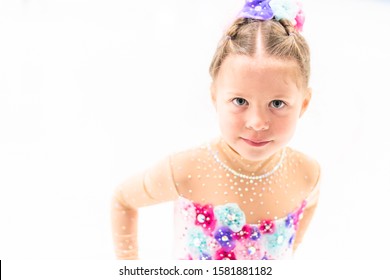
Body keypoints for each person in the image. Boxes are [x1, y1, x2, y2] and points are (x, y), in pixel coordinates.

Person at [111, 0, 320, 260]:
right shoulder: (185, 170)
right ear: (214, 96)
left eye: (277, 103)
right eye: (240, 101)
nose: (256, 122)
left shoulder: (307, 174)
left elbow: (308, 206)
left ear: (304, 103)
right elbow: (123, 199)